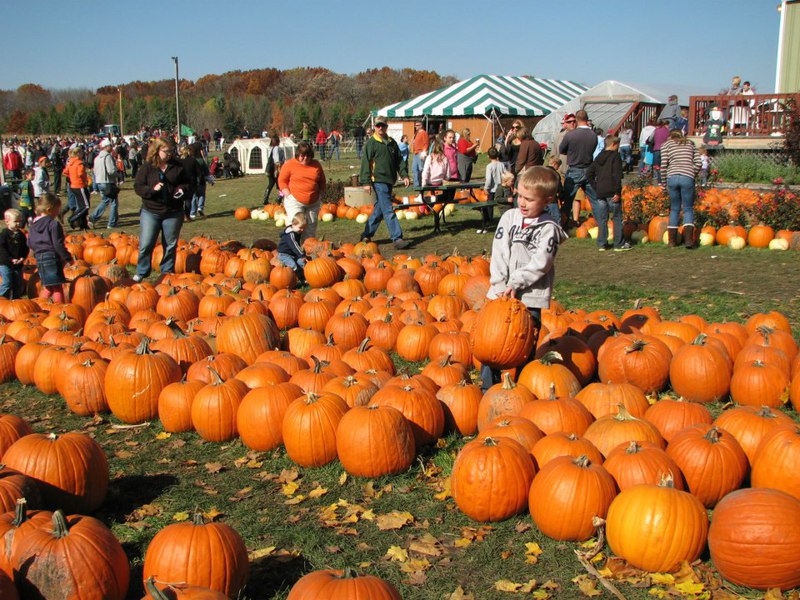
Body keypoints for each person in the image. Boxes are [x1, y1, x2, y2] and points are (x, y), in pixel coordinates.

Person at [482, 166, 567, 392]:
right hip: (501, 294)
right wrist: (499, 283)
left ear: (547, 200)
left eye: (529, 199)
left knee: (524, 343)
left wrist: (516, 282)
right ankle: (487, 388)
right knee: (491, 340)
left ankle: (522, 388)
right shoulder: (510, 218)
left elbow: (541, 263)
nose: (522, 202)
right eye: (519, 195)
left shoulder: (549, 229)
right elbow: (499, 251)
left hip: (530, 296)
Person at [133, 138, 194, 281]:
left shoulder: (178, 166)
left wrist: (181, 190)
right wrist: (152, 189)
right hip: (151, 211)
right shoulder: (148, 167)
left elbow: (188, 183)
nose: (169, 154)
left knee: (170, 244)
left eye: (171, 151)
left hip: (173, 211)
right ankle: (142, 272)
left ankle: (166, 272)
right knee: (146, 243)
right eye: (166, 152)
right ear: (157, 151)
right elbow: (138, 186)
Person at [359, 117, 410, 249]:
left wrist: (404, 175)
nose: (380, 128)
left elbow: (399, 160)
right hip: (378, 180)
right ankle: (397, 238)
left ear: (386, 127)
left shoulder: (392, 143)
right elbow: (366, 163)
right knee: (388, 209)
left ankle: (366, 234)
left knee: (380, 209)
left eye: (383, 126)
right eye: (378, 126)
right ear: (375, 127)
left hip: (389, 180)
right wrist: (366, 182)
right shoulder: (371, 143)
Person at [587, 135, 629, 252]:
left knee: (602, 218)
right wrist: (617, 191)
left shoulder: (598, 157)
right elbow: (617, 174)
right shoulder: (615, 156)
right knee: (617, 217)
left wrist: (596, 187)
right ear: (614, 145)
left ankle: (602, 243)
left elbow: (589, 174)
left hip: (600, 192)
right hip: (612, 191)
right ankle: (618, 244)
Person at [661, 129, 701, 248]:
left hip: (672, 177)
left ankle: (672, 241)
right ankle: (688, 241)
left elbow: (663, 165)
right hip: (687, 177)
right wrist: (691, 172)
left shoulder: (666, 145)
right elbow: (698, 162)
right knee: (688, 208)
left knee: (674, 208)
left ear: (670, 136)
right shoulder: (690, 144)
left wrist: (663, 183)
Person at [278, 141, 326, 241]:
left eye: (308, 156)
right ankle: (291, 247)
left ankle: (307, 249)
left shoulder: (316, 165)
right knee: (295, 225)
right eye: (302, 155)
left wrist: (321, 192)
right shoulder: (290, 164)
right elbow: (282, 180)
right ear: (297, 154)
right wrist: (287, 193)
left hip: (313, 203)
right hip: (294, 201)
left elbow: (322, 180)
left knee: (310, 227)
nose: (305, 158)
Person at [28, 193, 71, 303]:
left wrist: (38, 251)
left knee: (48, 286)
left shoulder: (33, 225)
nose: (58, 212)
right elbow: (57, 244)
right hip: (52, 257)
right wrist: (67, 257)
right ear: (49, 209)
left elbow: (30, 243)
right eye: (58, 209)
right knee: (57, 287)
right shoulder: (53, 224)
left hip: (39, 258)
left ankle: (39, 305)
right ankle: (59, 308)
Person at [559, 109, 598, 227]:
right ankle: (601, 223)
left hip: (574, 168)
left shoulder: (570, 135)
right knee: (595, 200)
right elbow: (594, 149)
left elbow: (562, 149)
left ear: (576, 120)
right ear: (587, 119)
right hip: (589, 168)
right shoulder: (593, 135)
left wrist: (572, 153)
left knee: (568, 199)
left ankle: (563, 223)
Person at [0, 208, 29, 299]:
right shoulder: (4, 235)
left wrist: (23, 257)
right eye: (15, 221)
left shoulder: (21, 235)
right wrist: (10, 259)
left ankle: (15, 300)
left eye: (19, 221)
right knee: (7, 283)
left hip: (18, 264)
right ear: (7, 222)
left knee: (18, 284)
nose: (18, 224)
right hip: (5, 263)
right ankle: (2, 299)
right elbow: (2, 249)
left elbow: (25, 247)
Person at [90, 139, 119, 228]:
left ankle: (93, 218)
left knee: (105, 201)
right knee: (113, 202)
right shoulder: (108, 157)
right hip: (108, 182)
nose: (112, 147)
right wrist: (117, 173)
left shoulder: (97, 157)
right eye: (110, 146)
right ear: (106, 147)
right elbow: (111, 171)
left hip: (99, 181)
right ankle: (111, 223)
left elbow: (95, 171)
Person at [65, 146, 91, 230]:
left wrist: (71, 178)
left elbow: (65, 172)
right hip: (80, 185)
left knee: (81, 205)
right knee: (85, 206)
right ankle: (72, 219)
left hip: (73, 186)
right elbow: (81, 174)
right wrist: (85, 180)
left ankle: (83, 224)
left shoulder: (70, 162)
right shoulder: (79, 163)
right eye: (82, 153)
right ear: (78, 153)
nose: (83, 154)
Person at [481, 147, 506, 233]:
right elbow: (505, 174)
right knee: (502, 203)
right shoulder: (502, 165)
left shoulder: (489, 166)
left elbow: (488, 179)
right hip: (501, 187)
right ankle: (504, 218)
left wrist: (486, 188)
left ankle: (490, 220)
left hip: (492, 189)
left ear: (488, 156)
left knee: (489, 205)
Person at [278, 213, 308, 285]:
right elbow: (294, 246)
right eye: (300, 227)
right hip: (284, 254)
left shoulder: (296, 231)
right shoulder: (290, 235)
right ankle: (296, 280)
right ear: (293, 224)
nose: (302, 230)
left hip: (292, 254)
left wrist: (301, 257)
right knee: (293, 265)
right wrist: (301, 255)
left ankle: (304, 277)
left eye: (303, 228)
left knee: (301, 263)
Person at [184, 142, 211, 220]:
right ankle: (200, 207)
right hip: (201, 179)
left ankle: (192, 212)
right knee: (202, 194)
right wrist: (209, 178)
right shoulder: (201, 160)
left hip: (192, 180)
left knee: (193, 196)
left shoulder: (190, 160)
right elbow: (206, 170)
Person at [263, 135, 285, 205]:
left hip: (269, 169)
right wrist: (277, 169)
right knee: (280, 185)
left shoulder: (270, 148)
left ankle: (265, 198)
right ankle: (279, 198)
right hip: (275, 168)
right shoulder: (277, 148)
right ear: (278, 141)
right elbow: (277, 160)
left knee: (271, 184)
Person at [651, 120, 671, 185]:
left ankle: (659, 180)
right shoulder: (667, 131)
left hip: (656, 149)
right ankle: (664, 180)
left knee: (657, 166)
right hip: (665, 149)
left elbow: (650, 139)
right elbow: (669, 140)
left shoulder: (655, 130)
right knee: (665, 165)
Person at [411, 121, 429, 188]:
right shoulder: (417, 133)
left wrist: (423, 153)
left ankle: (422, 183)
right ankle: (416, 185)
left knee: (421, 169)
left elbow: (426, 143)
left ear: (421, 126)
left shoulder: (423, 133)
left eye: (418, 125)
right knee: (414, 169)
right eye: (415, 125)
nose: (416, 126)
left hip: (420, 153)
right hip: (415, 153)